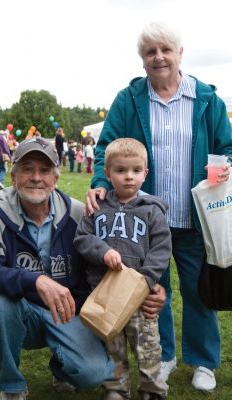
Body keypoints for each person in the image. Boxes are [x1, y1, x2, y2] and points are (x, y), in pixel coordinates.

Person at [86, 21, 232, 392]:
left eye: (166, 49)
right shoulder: (129, 99)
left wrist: (225, 165)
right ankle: (164, 355)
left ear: (180, 54)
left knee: (199, 289)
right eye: (150, 52)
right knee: (152, 290)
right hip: (144, 219)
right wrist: (102, 182)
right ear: (142, 59)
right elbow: (105, 148)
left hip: (194, 217)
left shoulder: (207, 100)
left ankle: (202, 361)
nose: (159, 57)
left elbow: (228, 147)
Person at [0, 137, 114, 400]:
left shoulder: (77, 213)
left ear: (55, 179)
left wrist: (150, 283)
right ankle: (11, 385)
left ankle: (61, 367)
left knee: (94, 373)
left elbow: (110, 257)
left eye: (45, 170)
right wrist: (35, 281)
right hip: (22, 312)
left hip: (69, 312)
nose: (36, 177)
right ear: (13, 177)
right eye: (27, 169)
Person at [74, 138, 172, 400]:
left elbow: (162, 249)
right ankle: (116, 390)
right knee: (112, 347)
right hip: (105, 294)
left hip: (139, 297)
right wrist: (103, 252)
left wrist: (147, 280)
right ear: (107, 173)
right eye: (120, 171)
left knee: (148, 348)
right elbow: (82, 238)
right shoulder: (97, 208)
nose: (129, 177)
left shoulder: (152, 211)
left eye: (136, 171)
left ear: (145, 174)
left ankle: (152, 390)